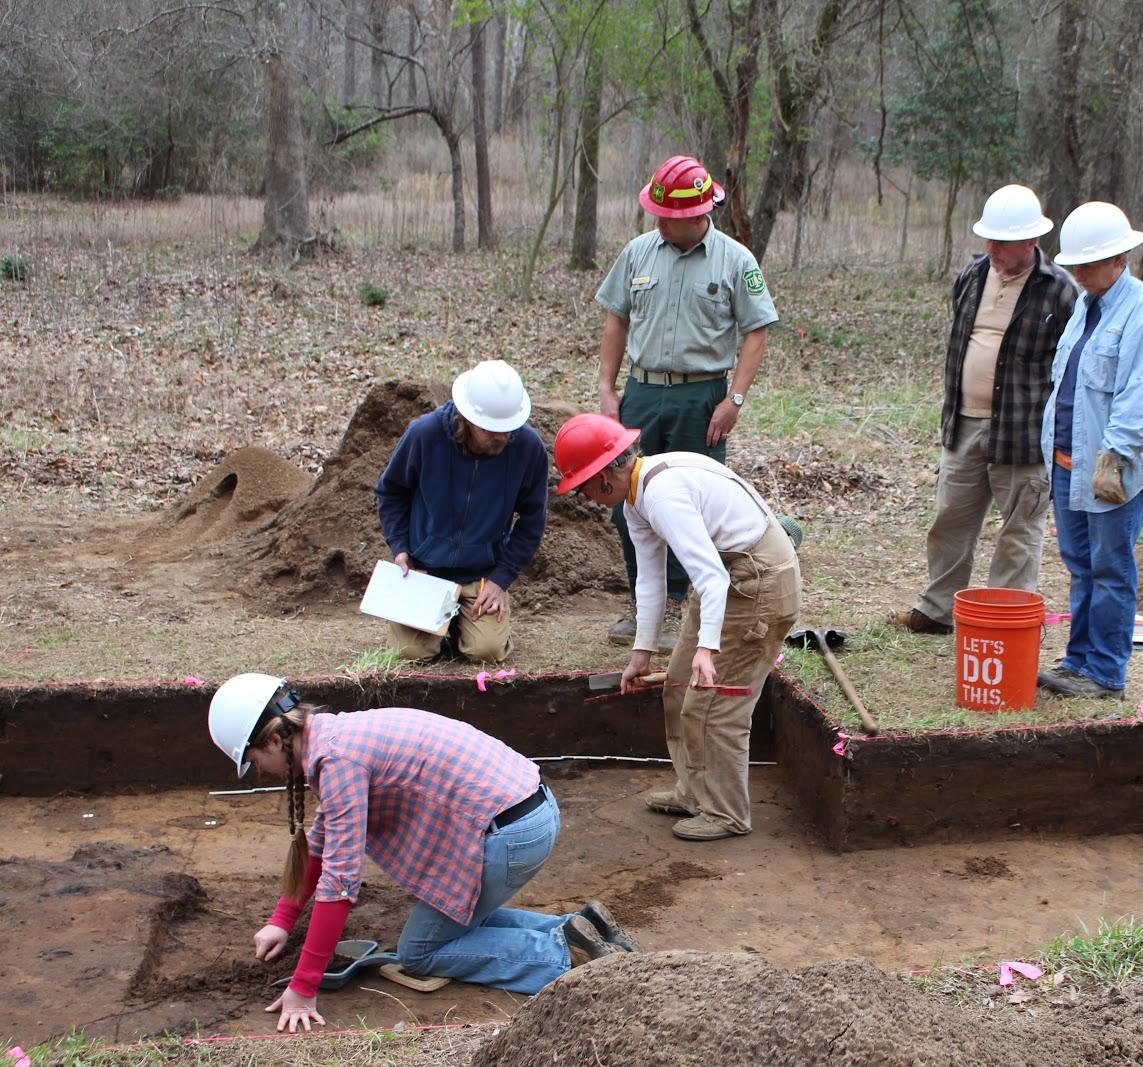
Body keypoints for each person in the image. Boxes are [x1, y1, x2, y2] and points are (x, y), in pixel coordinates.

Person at [205, 673, 639, 1033]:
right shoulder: (335, 736)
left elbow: (339, 884)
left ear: (275, 740)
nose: (257, 771)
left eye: (253, 759)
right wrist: (281, 921)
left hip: (509, 836)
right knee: (455, 918)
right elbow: (322, 843)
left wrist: (304, 986)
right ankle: (581, 926)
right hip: (526, 814)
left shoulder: (338, 761)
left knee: (420, 951)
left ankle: (569, 958)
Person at [552, 413, 800, 842]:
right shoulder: (637, 496)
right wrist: (641, 653)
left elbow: (711, 577)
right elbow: (650, 578)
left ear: (606, 474)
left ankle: (726, 813)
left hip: (757, 584)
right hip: (730, 579)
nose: (586, 497)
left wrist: (708, 650)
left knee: (713, 703)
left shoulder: (663, 494)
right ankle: (694, 792)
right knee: (680, 687)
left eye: (584, 485)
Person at [594, 154, 780, 647]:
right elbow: (616, 320)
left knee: (689, 504)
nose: (659, 221)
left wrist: (734, 398)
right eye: (656, 212)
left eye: (669, 216)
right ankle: (642, 604)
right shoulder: (637, 253)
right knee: (626, 496)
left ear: (700, 213)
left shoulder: (735, 260)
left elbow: (757, 331)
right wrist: (608, 390)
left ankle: (687, 604)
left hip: (701, 396)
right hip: (642, 391)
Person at [891, 184, 1075, 636]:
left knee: (1019, 532)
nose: (992, 248)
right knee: (950, 518)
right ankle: (936, 610)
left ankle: (1001, 621)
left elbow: (1071, 366)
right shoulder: (972, 276)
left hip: (1024, 431)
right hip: (965, 423)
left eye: (1003, 241)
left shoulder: (1061, 291)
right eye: (988, 239)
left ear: (1031, 241)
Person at [1037, 202, 1143, 700]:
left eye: (1087, 265)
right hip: (1069, 463)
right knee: (1080, 566)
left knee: (1111, 569)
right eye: (1073, 265)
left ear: (1120, 259)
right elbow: (1065, 387)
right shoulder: (1084, 306)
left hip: (1110, 468)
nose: (1077, 274)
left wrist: (1115, 457)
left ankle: (1106, 673)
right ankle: (1077, 661)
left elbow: (1140, 396)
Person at [373, 360, 547, 663]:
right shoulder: (424, 435)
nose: (502, 437)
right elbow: (391, 492)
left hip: (481, 574)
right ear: (467, 418)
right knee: (410, 654)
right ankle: (442, 625)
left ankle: (464, 623)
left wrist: (500, 579)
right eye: (491, 430)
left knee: (486, 651)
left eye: (508, 429)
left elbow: (533, 518)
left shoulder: (529, 448)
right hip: (425, 571)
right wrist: (400, 548)